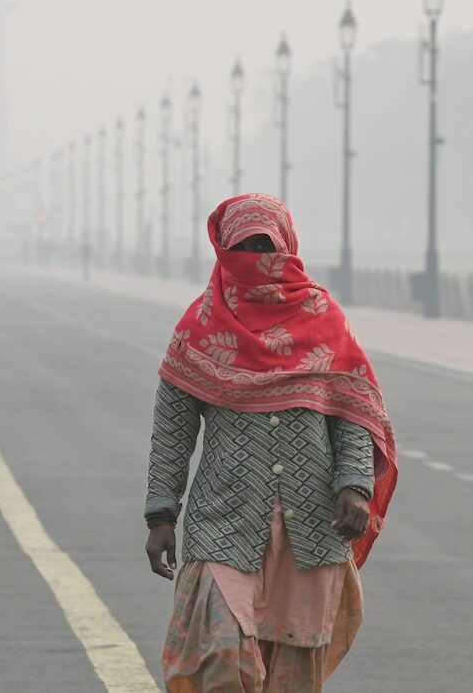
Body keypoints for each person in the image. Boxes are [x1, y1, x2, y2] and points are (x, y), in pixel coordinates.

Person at [143, 193, 398, 692]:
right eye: (245, 247)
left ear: (286, 246)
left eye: (266, 245)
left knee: (293, 676)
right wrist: (160, 514)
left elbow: (352, 411)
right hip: (223, 523)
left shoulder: (324, 317)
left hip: (312, 525)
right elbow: (172, 429)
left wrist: (355, 485)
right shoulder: (200, 325)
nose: (257, 258)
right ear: (223, 251)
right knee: (219, 657)